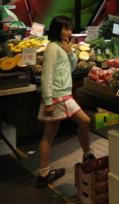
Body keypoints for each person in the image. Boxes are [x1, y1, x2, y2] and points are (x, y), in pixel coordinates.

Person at [37, 15, 93, 188]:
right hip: (57, 96)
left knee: (50, 133)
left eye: (70, 28)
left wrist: (70, 52)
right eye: (66, 28)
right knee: (85, 121)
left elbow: (71, 67)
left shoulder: (61, 47)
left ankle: (44, 173)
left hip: (61, 95)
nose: (70, 32)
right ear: (57, 30)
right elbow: (47, 75)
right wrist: (47, 101)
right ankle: (87, 155)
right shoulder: (53, 48)